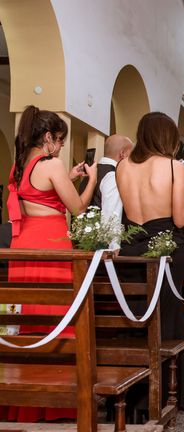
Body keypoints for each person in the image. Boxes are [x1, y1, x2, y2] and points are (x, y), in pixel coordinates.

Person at [3, 105, 97, 423]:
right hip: (51, 245)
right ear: (47, 137)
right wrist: (92, 179)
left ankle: (25, 402)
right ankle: (57, 403)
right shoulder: (51, 163)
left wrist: (67, 177)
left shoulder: (20, 163)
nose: (59, 147)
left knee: (30, 321)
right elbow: (79, 208)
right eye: (58, 140)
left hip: (24, 245)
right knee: (57, 319)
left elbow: (37, 193)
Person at [116, 112, 184, 411]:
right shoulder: (173, 166)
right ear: (168, 137)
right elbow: (181, 219)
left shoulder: (123, 166)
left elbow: (127, 214)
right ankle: (165, 394)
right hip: (165, 248)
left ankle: (134, 396)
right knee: (168, 319)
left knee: (136, 317)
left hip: (131, 249)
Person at [82, 134, 133, 248]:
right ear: (123, 154)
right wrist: (113, 248)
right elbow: (111, 215)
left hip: (85, 243)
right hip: (102, 250)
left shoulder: (90, 173)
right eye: (131, 154)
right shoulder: (112, 176)